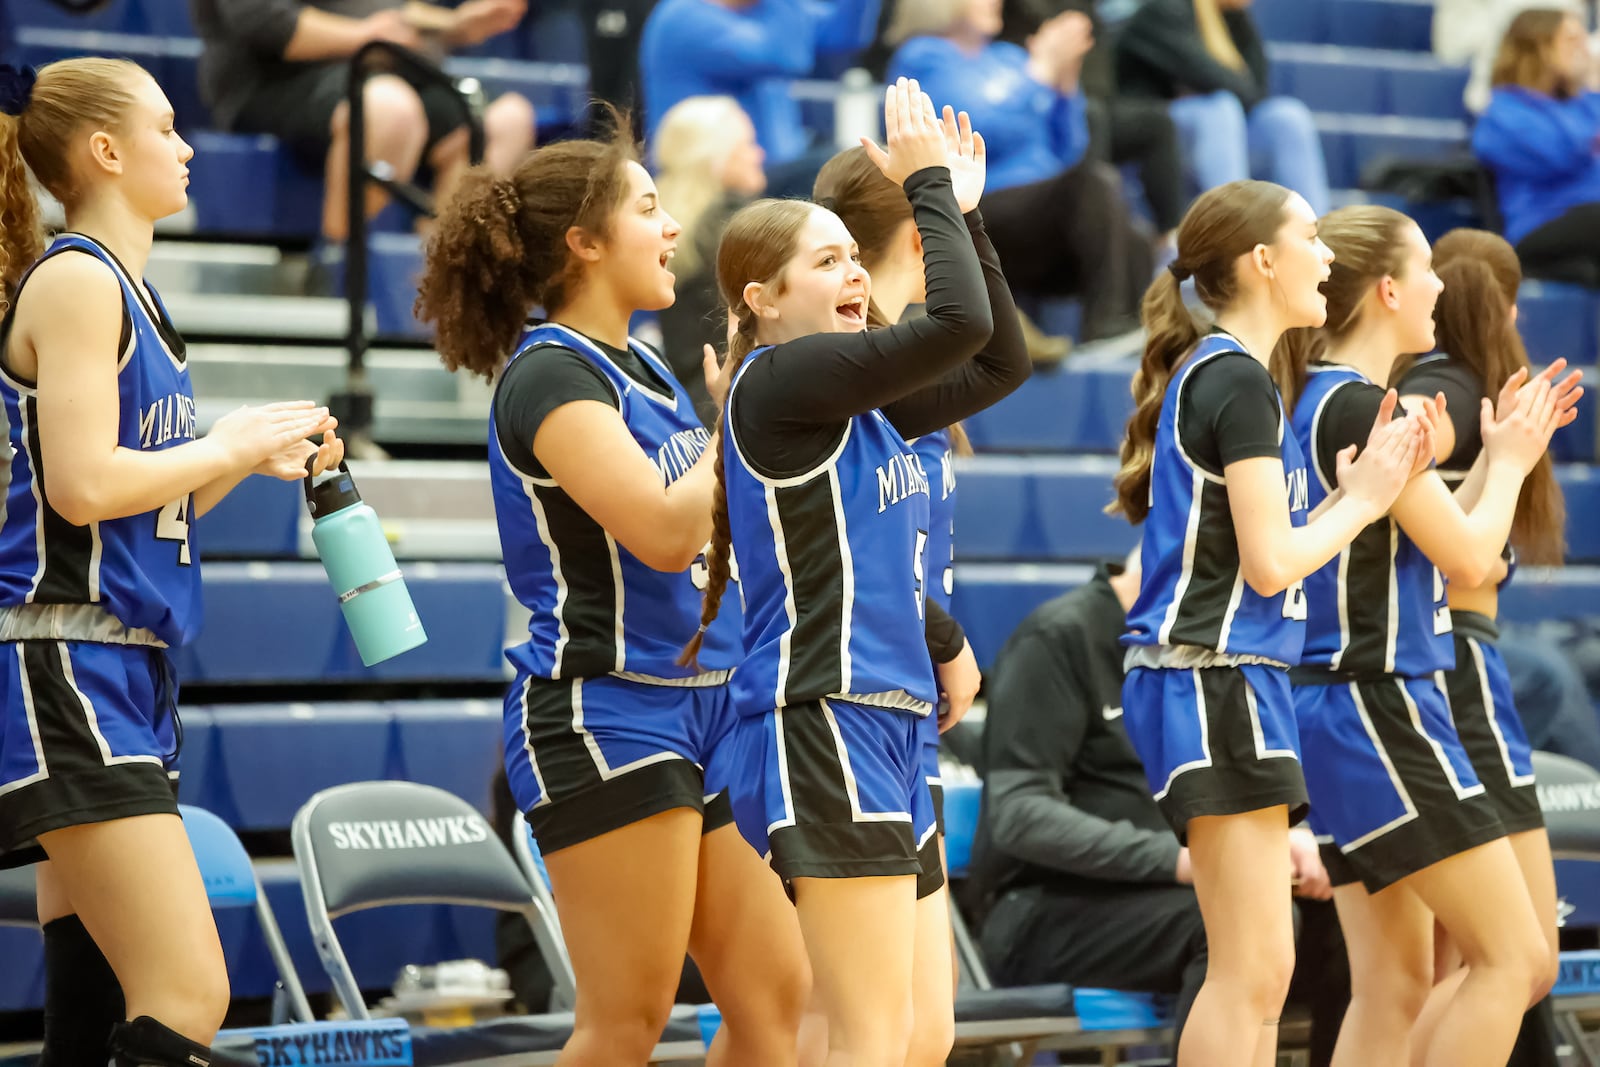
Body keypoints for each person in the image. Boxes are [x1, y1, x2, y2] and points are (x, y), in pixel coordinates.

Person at [413, 117, 808, 1066]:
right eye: (647, 207)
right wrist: (740, 411)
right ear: (584, 243)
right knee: (625, 1022)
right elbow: (666, 533)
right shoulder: (550, 372)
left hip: (707, 705)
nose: (672, 226)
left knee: (777, 1002)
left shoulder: (648, 369)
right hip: (608, 712)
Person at [0, 58, 343, 1067]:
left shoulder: (137, 298)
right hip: (65, 658)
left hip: (127, 663)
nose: (188, 145)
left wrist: (244, 463)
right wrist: (232, 441)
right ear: (106, 151)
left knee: (96, 1005)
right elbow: (80, 487)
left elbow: (143, 499)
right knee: (188, 991)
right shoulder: (74, 280)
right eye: (165, 125)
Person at [690, 78, 1028, 1065]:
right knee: (868, 1039)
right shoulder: (781, 382)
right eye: (823, 259)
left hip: (890, 715)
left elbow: (997, 363)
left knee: (923, 1034)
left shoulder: (853, 405)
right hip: (822, 713)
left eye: (851, 254)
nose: (851, 274)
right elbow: (957, 328)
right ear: (761, 298)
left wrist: (968, 215)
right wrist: (927, 180)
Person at [1108, 178, 1425, 1067]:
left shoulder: (1235, 374)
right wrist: (1362, 500)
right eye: (1311, 237)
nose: (1327, 256)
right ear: (1262, 261)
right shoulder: (1235, 378)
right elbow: (1273, 561)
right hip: (1208, 673)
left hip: (1233, 676)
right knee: (1251, 968)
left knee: (1265, 967)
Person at [1274, 205, 1576, 1067]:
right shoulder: (1370, 408)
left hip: (1341, 704)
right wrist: (1513, 462)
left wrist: (1490, 457)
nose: (1442, 284)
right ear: (1387, 289)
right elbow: (1474, 558)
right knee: (1513, 958)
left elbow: (1432, 542)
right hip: (1379, 700)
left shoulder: (1323, 398)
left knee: (1397, 984)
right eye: (1426, 269)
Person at [970, 550, 1351, 1064]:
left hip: (1172, 894)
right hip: (1043, 908)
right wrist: (1177, 860)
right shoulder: (1060, 635)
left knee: (1348, 925)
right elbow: (1020, 814)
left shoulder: (1209, 654)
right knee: (1233, 934)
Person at [1400, 226, 1578, 1066]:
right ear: (1508, 306)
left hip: (1451, 659)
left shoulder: (1454, 383)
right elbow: (1400, 457)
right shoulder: (1442, 385)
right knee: (1518, 960)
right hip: (1449, 663)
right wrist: (1495, 469)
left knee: (1461, 966)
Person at [886, 0, 1151, 341]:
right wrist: (1040, 70)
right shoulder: (924, 56)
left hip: (1046, 209)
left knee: (1135, 235)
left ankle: (1133, 335)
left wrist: (1064, 83)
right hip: (975, 204)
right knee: (1092, 185)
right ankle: (1105, 327)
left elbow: (1069, 147)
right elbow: (972, 131)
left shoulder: (1008, 58)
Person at [191, 0, 537, 241]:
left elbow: (392, 11)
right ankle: (340, 275)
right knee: (389, 111)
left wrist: (455, 24)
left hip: (385, 70)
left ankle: (439, 277)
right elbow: (265, 22)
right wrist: (364, 36)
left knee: (506, 121)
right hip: (274, 81)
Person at [638, 0, 883, 198]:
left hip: (771, 173)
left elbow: (844, 35)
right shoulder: (682, 17)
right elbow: (785, 56)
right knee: (842, 173)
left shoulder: (762, 11)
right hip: (709, 187)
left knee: (857, 171)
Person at [1115, 0, 1330, 216]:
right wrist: (1239, 85)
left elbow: (1257, 91)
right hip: (1160, 133)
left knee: (1286, 116)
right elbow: (1215, 79)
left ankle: (1316, 230)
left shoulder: (1234, 18)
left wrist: (1240, 84)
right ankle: (1233, 226)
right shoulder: (1163, 9)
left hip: (1223, 132)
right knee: (1220, 109)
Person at [653, 95, 768, 426]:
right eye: (747, 145)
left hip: (688, 401)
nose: (758, 154)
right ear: (714, 157)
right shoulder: (731, 227)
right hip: (733, 401)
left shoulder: (672, 223)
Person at [1472, 7, 1600, 286]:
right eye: (1571, 40)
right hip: (1541, 226)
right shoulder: (1503, 112)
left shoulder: (1587, 103)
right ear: (1540, 47)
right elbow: (1563, 154)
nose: (1585, 49)